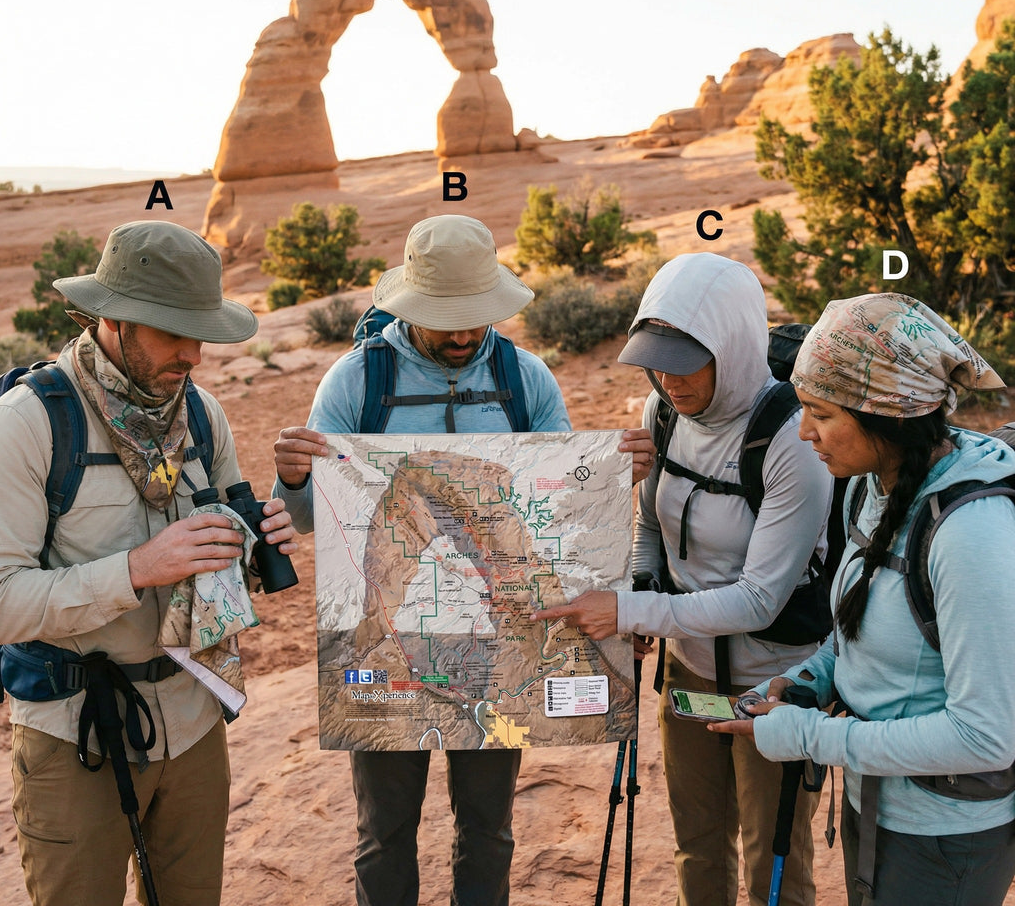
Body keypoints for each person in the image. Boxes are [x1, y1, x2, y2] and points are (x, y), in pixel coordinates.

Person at [273, 213, 654, 906]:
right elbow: (304, 520)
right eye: (443, 318)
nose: (459, 334)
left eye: (472, 317)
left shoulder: (522, 378)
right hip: (387, 652)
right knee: (384, 833)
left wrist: (604, 482)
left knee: (489, 829)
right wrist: (297, 477)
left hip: (496, 642)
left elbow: (558, 508)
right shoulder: (357, 379)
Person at [0, 220, 298, 906]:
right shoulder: (27, 424)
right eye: (171, 332)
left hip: (193, 723)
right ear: (111, 320)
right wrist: (135, 570)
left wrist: (250, 550)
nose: (193, 353)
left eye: (203, 332)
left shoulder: (205, 416)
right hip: (75, 735)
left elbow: (213, 573)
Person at [531, 252, 833, 906]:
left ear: (732, 343)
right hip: (690, 672)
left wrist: (632, 612)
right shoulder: (660, 414)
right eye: (654, 360)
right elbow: (649, 528)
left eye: (685, 360)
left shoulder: (792, 440)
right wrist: (640, 593)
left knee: (772, 857)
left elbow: (759, 600)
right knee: (697, 842)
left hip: (773, 679)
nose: (668, 379)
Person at [709, 292, 1015, 906]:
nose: (804, 432)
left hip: (946, 837)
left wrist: (809, 738)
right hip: (874, 802)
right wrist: (811, 677)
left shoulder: (969, 534)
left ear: (886, 416)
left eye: (819, 412)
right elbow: (865, 623)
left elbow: (986, 737)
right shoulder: (867, 488)